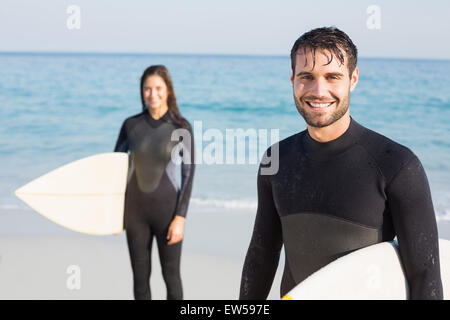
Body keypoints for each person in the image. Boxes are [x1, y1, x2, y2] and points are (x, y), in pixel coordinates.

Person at [239, 27, 443, 300]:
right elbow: (261, 255)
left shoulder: (396, 164)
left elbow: (424, 275)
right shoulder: (275, 160)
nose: (318, 90)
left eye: (332, 77)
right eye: (306, 77)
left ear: (353, 79)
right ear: (292, 80)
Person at [114, 65, 195, 300]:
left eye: (158, 88)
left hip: (168, 213)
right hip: (134, 214)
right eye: (147, 89)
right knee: (140, 280)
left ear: (168, 90)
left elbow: (188, 174)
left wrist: (180, 218)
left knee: (171, 277)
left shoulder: (182, 127)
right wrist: (113, 213)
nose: (153, 94)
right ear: (141, 92)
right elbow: (116, 168)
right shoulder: (130, 125)